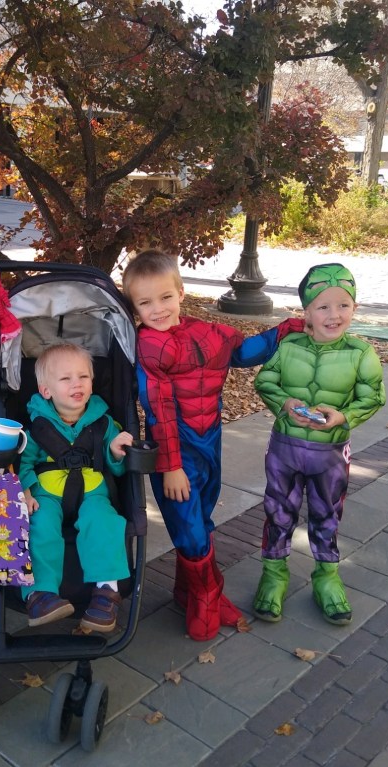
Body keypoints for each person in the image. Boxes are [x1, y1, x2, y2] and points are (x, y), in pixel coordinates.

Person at [121, 248, 302, 641]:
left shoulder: (207, 332)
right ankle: (207, 593)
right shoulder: (149, 346)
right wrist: (171, 466)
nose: (158, 309)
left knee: (200, 519)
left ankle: (186, 592)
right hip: (175, 448)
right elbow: (159, 410)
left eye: (165, 297)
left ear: (181, 293)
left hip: (209, 442)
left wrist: (284, 331)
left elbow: (242, 352)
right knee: (188, 525)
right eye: (145, 303)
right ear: (134, 308)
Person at [253, 263, 386, 625]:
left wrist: (343, 416)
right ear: (307, 312)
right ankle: (274, 574)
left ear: (355, 308)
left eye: (343, 305)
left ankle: (326, 577)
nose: (334, 315)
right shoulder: (288, 347)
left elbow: (373, 396)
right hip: (285, 448)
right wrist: (285, 404)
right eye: (323, 307)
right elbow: (265, 381)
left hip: (330, 454)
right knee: (278, 511)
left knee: (327, 514)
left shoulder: (361, 353)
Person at [18, 343, 135, 633]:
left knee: (105, 520)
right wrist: (26, 490)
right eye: (66, 378)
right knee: (39, 523)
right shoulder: (36, 427)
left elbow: (115, 466)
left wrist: (115, 451)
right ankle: (40, 594)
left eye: (83, 376)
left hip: (92, 489)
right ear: (47, 391)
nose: (77, 384)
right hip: (47, 493)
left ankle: (106, 592)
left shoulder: (104, 423)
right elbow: (23, 462)